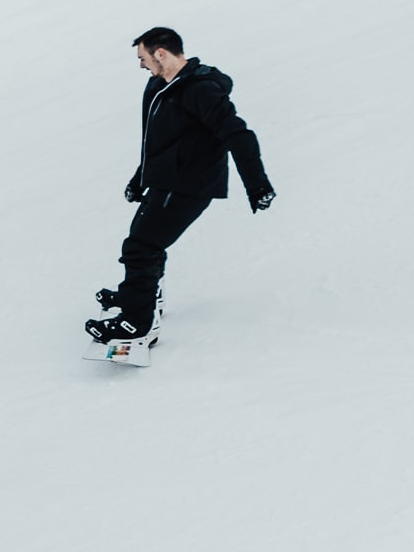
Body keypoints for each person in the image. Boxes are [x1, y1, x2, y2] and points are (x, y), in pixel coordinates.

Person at [86, 27, 276, 347]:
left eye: (143, 58)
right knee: (143, 244)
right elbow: (158, 142)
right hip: (165, 181)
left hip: (190, 184)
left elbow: (238, 134)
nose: (142, 65)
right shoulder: (160, 85)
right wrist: (140, 178)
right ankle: (142, 295)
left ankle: (137, 323)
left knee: (141, 247)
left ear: (161, 53)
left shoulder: (200, 90)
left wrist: (256, 184)